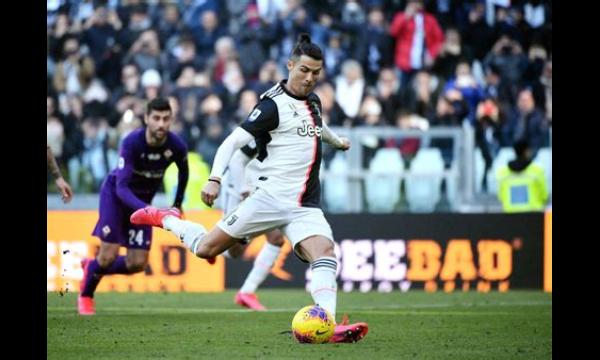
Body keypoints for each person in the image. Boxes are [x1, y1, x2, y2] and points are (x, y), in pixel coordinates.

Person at [131, 34, 369, 343]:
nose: (310, 78)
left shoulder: (313, 100)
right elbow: (232, 142)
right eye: (304, 70)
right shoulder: (271, 106)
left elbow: (315, 128)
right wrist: (216, 178)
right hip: (268, 198)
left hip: (305, 205)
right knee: (207, 249)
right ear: (290, 65)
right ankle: (166, 218)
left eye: (316, 73)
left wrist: (338, 141)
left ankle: (327, 324)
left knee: (324, 253)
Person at [78, 98, 189, 315]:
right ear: (146, 118)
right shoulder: (131, 143)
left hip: (143, 204)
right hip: (116, 198)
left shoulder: (176, 145)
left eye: (166, 119)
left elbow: (184, 171)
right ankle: (86, 296)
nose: (161, 124)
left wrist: (177, 204)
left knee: (137, 264)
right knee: (108, 255)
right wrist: (148, 210)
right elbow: (121, 187)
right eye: (156, 118)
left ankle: (91, 267)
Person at [218, 145, 286, 311]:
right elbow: (235, 162)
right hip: (238, 188)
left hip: (262, 189)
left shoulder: (290, 128)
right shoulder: (262, 125)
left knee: (276, 239)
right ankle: (210, 244)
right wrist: (244, 189)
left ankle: (247, 292)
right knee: (234, 251)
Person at [496, 140, 548, 212]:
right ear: (527, 151)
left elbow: (501, 197)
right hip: (534, 215)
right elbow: (544, 196)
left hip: (510, 214)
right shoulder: (537, 171)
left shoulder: (503, 172)